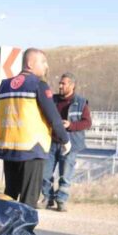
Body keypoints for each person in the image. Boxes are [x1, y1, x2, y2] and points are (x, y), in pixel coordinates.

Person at [0, 48, 70, 208]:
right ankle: (25, 232)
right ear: (30, 64)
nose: (46, 66)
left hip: (10, 149)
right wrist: (65, 139)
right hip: (32, 149)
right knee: (28, 200)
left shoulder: (5, 85)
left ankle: (7, 230)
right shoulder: (38, 85)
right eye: (43, 62)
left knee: (9, 195)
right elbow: (54, 117)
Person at [41, 72, 92, 212]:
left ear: (72, 85)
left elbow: (87, 123)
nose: (60, 86)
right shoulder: (52, 99)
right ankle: (47, 198)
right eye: (60, 83)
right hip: (51, 142)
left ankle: (61, 200)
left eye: (63, 83)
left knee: (65, 175)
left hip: (70, 144)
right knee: (45, 173)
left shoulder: (81, 102)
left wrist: (70, 125)